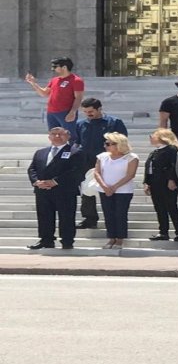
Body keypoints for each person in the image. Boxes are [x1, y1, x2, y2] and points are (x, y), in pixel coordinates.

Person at [74, 98, 128, 230]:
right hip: (87, 162)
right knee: (87, 191)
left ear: (99, 109)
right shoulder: (81, 124)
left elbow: (122, 141)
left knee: (109, 190)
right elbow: (77, 141)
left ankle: (113, 218)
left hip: (108, 162)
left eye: (91, 111)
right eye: (85, 111)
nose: (88, 114)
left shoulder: (114, 122)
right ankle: (89, 218)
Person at [26, 128, 85, 250]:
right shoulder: (40, 152)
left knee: (66, 217)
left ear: (68, 136)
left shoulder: (75, 151)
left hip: (65, 191)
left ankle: (67, 241)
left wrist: (55, 181)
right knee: (44, 216)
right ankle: (46, 239)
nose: (57, 136)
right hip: (43, 190)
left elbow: (76, 171)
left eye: (61, 134)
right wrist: (36, 182)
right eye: (53, 134)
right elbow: (32, 169)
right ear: (49, 137)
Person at [94, 132, 138, 249]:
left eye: (109, 143)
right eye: (106, 143)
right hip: (104, 190)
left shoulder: (131, 157)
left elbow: (130, 174)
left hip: (123, 191)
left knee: (120, 214)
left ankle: (120, 239)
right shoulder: (102, 156)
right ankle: (111, 237)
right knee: (108, 214)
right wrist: (105, 187)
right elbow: (97, 172)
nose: (106, 146)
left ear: (118, 144)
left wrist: (114, 187)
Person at [24, 57, 85, 142]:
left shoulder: (76, 80)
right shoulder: (54, 80)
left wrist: (73, 112)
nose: (54, 69)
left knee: (69, 136)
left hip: (65, 112)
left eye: (56, 67)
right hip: (51, 112)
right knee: (54, 136)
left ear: (64, 67)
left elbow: (78, 98)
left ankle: (73, 153)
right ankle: (56, 152)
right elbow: (44, 93)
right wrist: (33, 83)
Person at [143, 128, 178, 242]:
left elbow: (174, 166)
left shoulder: (171, 150)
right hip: (155, 183)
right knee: (159, 208)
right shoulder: (154, 152)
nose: (151, 138)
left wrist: (172, 179)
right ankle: (163, 232)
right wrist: (146, 182)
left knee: (171, 206)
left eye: (154, 135)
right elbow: (149, 168)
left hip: (166, 182)